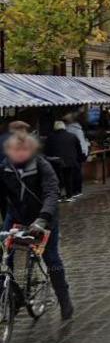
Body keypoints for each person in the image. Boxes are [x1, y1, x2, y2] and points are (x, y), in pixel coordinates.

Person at [0, 131, 72, 319]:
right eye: (15, 149)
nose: (20, 153)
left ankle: (64, 300)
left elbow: (51, 193)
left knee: (51, 258)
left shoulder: (42, 166)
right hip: (17, 216)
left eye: (24, 149)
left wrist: (43, 218)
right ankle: (12, 295)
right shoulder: (5, 168)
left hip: (44, 218)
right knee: (4, 256)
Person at [46, 122, 83, 203]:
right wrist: (79, 159)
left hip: (55, 161)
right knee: (68, 178)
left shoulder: (50, 137)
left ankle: (58, 196)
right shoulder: (72, 136)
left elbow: (47, 150)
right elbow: (78, 149)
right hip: (69, 161)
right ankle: (69, 195)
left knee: (56, 179)